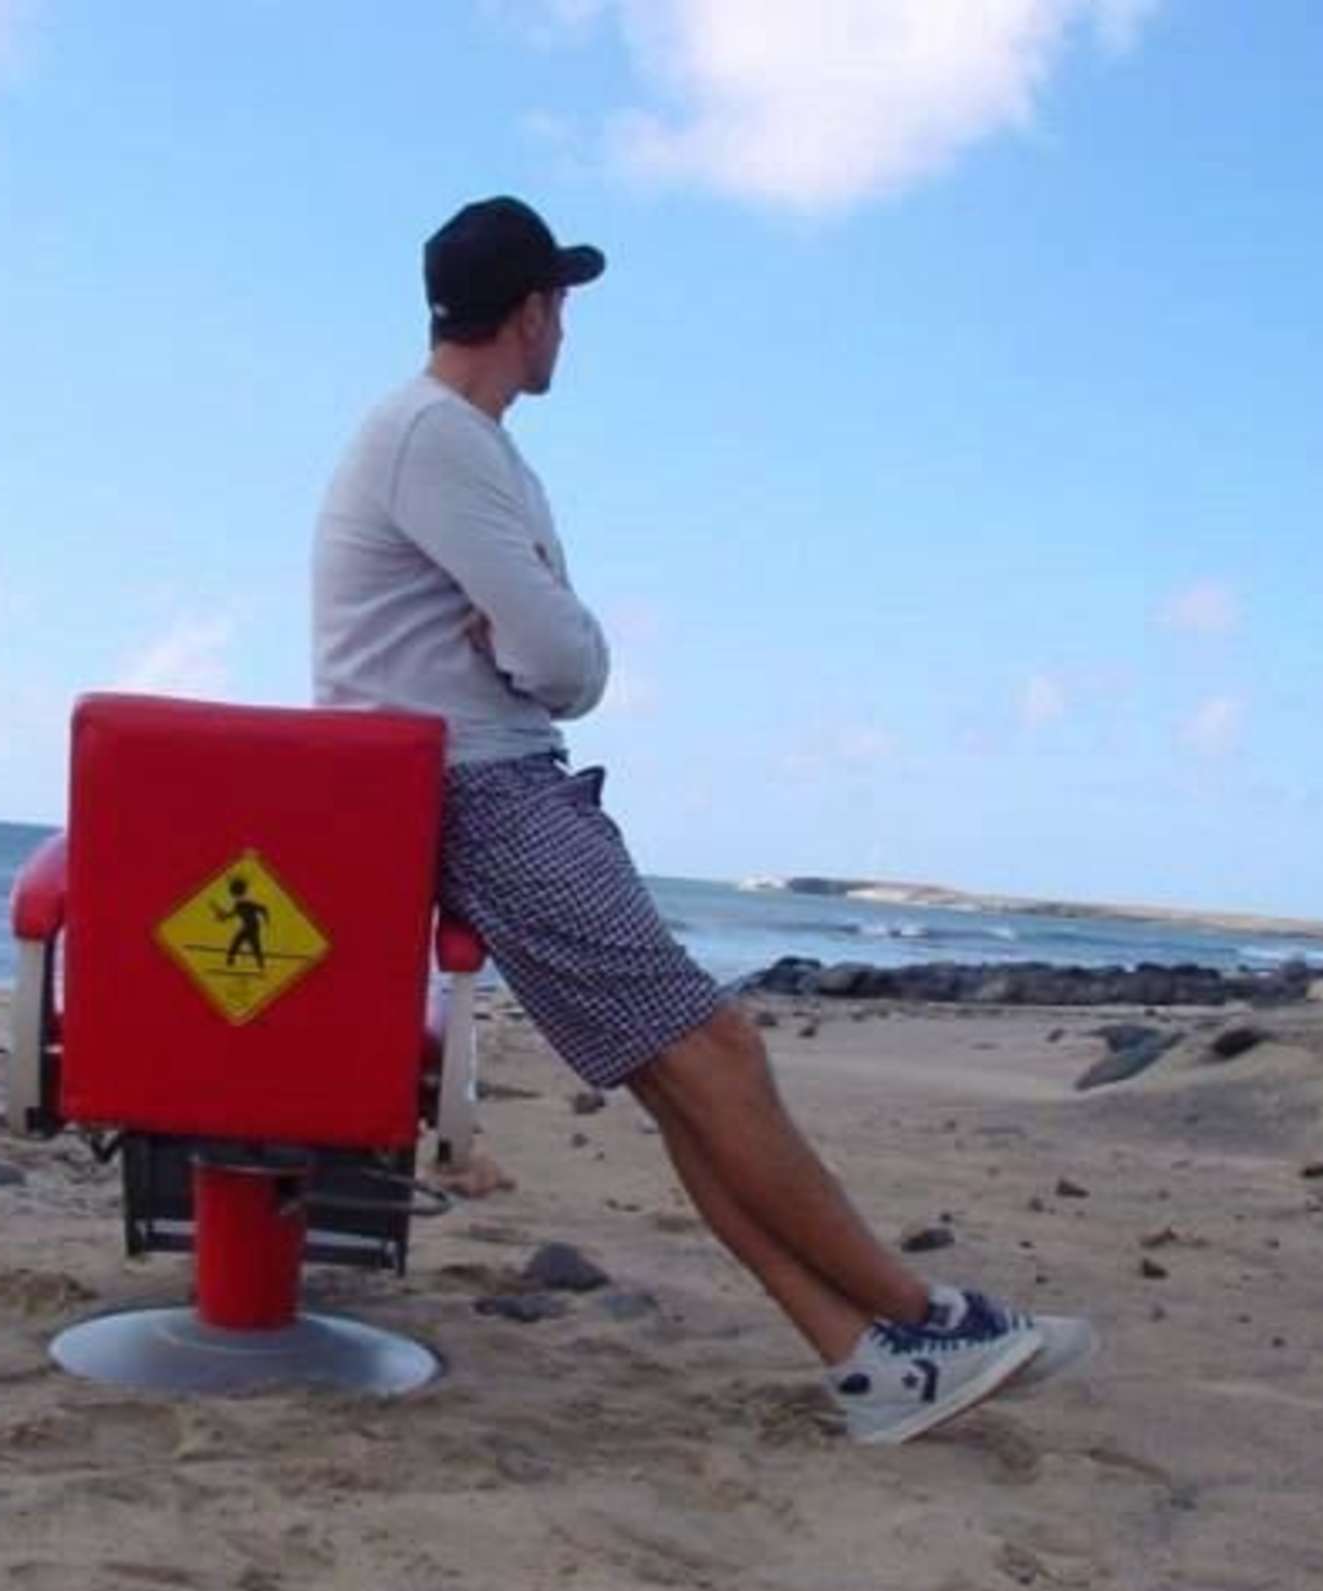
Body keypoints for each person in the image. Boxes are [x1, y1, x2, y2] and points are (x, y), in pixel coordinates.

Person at [311, 196, 1094, 1444]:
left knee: (683, 1086)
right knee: (716, 1051)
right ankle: (926, 1317)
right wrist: (542, 635)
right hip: (483, 788)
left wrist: (538, 637)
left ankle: (865, 1363)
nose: (565, 328)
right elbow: (567, 663)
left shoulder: (459, 444)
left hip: (476, 780)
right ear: (533, 312)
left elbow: (552, 651)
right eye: (561, 304)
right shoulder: (438, 440)